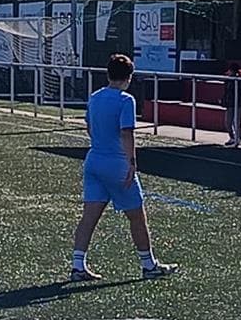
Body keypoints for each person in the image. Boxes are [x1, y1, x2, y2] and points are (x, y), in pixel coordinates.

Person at [71, 54, 176, 282]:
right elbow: (126, 132)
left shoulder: (95, 97)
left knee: (89, 216)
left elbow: (89, 126)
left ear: (108, 74)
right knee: (137, 216)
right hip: (116, 163)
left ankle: (77, 264)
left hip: (94, 160)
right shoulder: (125, 100)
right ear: (129, 77)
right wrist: (131, 162)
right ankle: (149, 265)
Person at [221, 62, 241, 146]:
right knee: (228, 122)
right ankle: (232, 137)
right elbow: (226, 91)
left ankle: (238, 138)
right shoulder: (227, 80)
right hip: (230, 103)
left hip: (238, 103)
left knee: (238, 122)